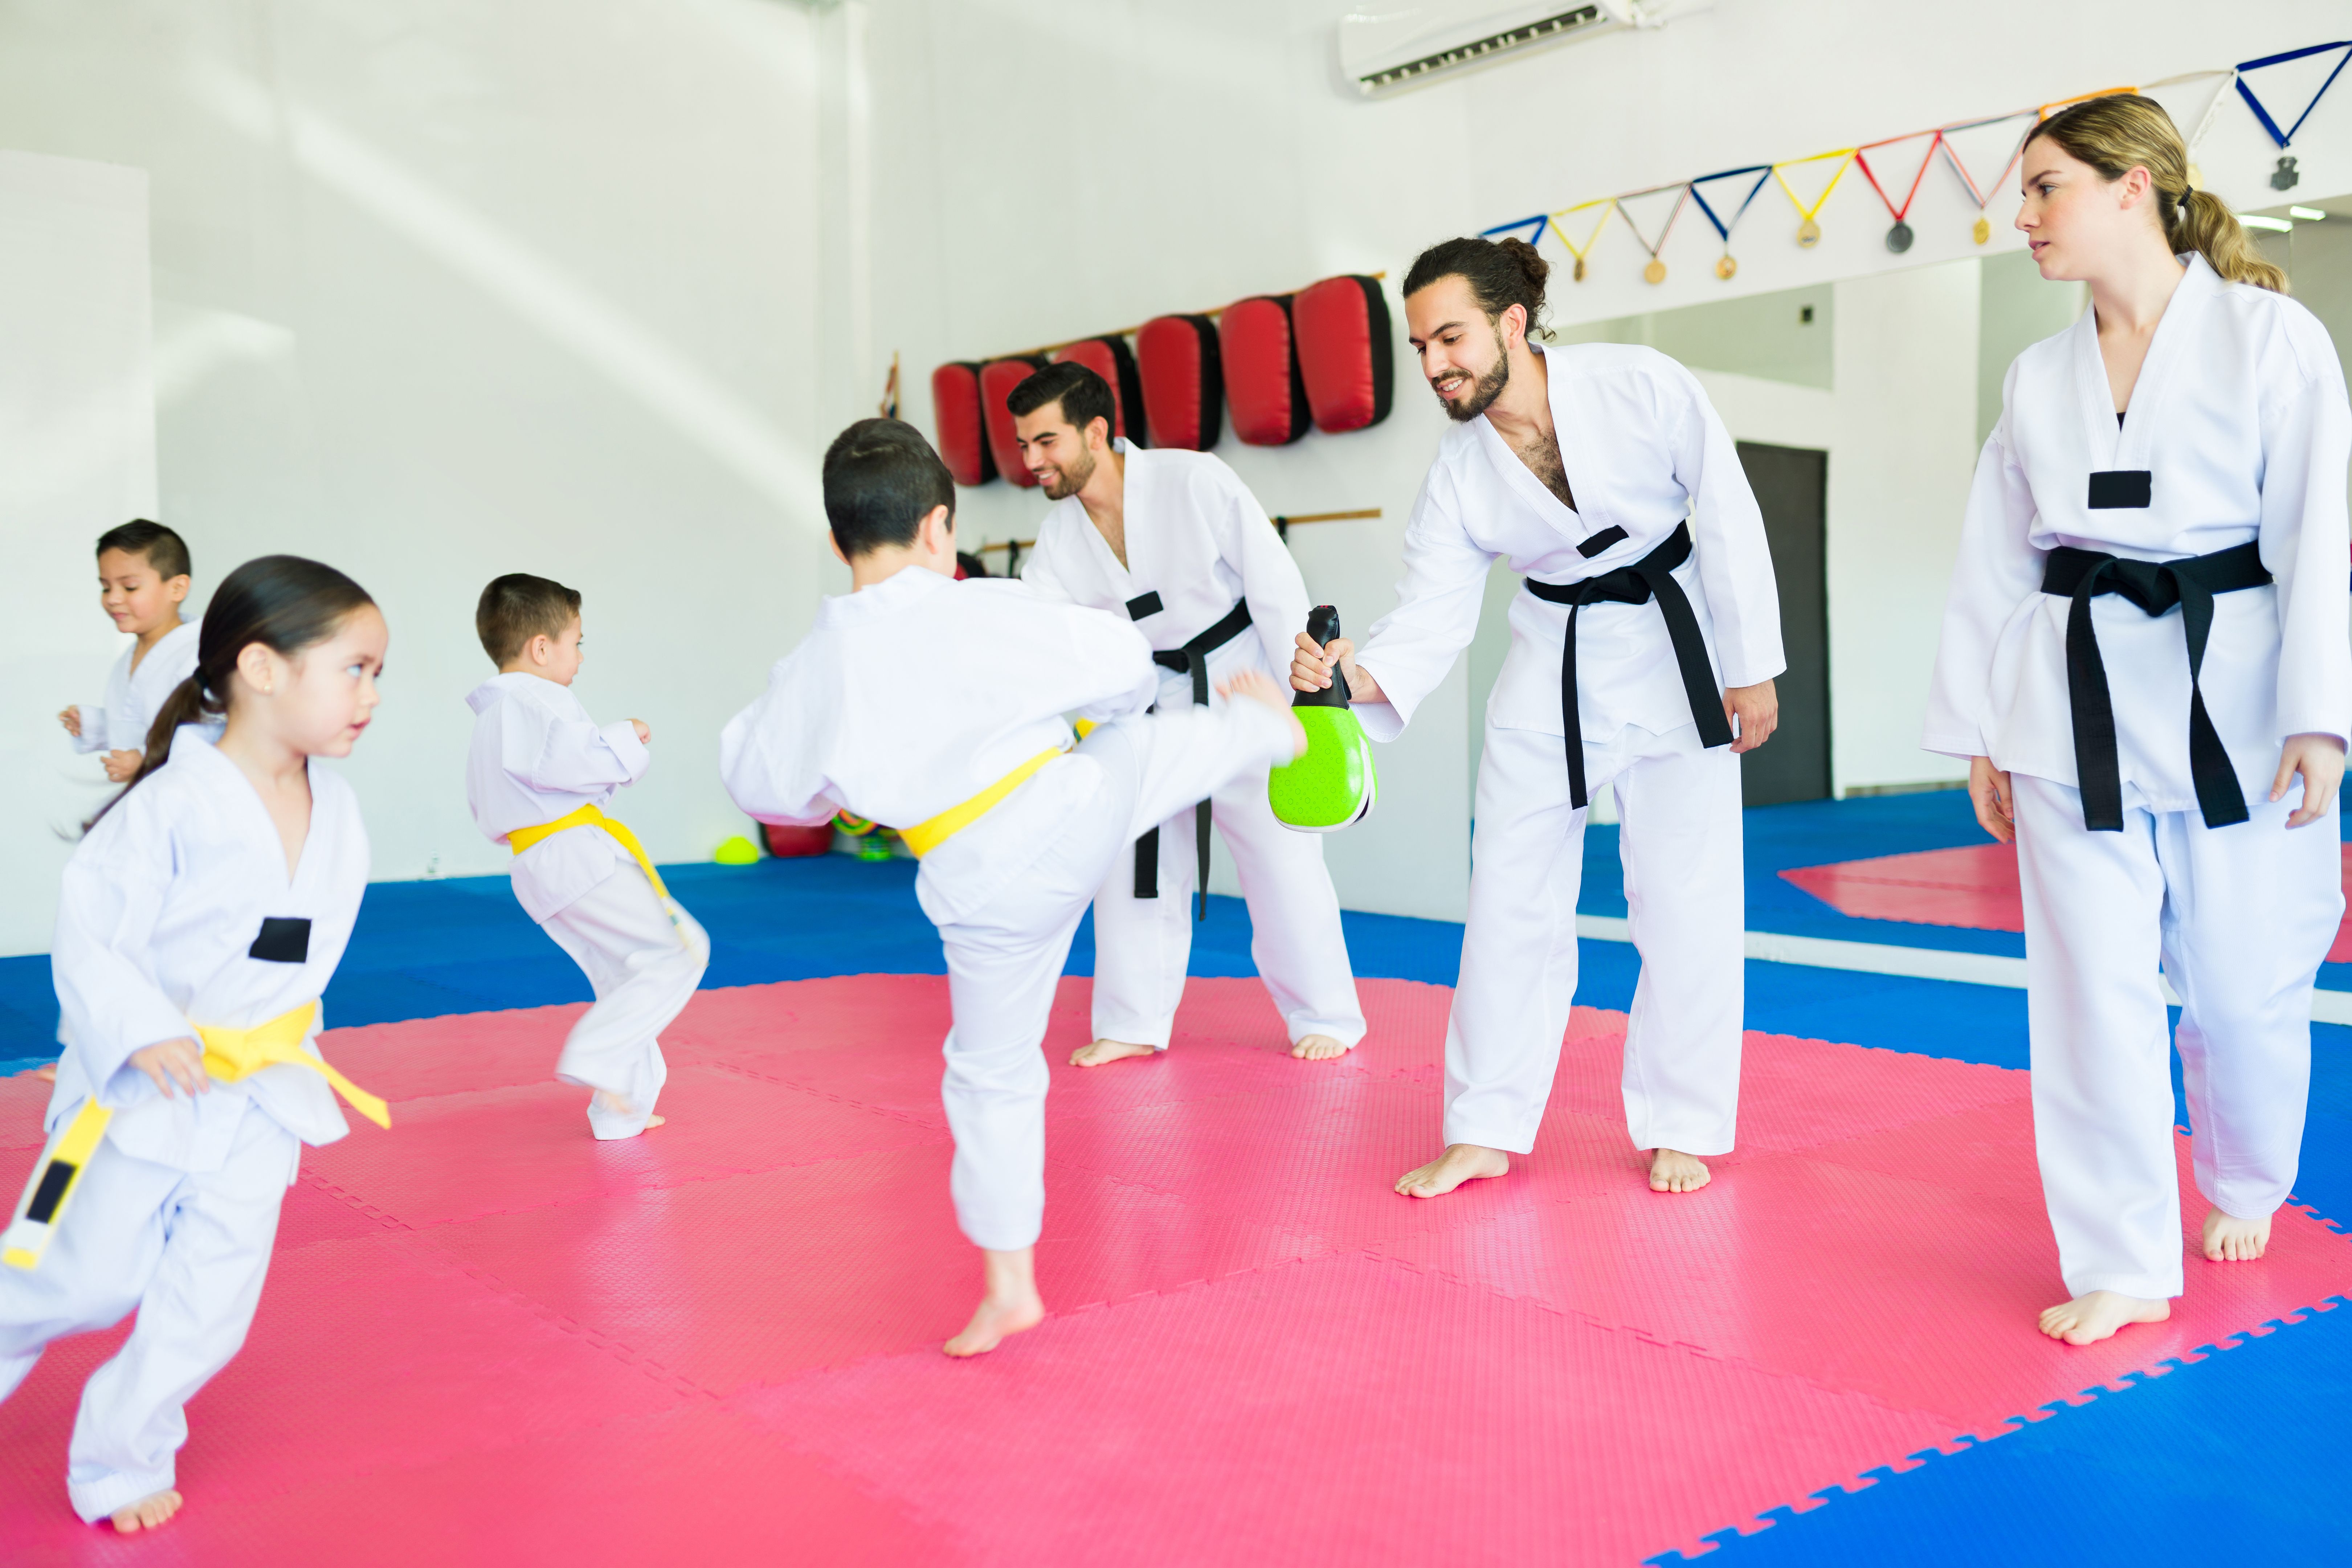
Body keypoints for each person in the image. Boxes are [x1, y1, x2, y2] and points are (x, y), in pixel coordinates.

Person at [722, 418, 1304, 1357]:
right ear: (939, 528)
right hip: (1066, 810)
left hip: (973, 882)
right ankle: (1264, 733)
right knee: (1148, 747)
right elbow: (1122, 667)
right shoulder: (985, 606)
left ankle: (1009, 1287)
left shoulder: (817, 665)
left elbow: (760, 782)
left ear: (837, 542)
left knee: (990, 1074)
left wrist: (843, 783)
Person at [1923, 94, 2350, 1347]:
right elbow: (1995, 562)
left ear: (2133, 189)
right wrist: (1983, 729)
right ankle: (2120, 1255)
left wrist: (2320, 716)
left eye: (2048, 186)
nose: (2027, 213)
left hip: (2237, 692)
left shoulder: (2273, 339)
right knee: (2089, 989)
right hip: (2072, 699)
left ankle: (2244, 1174)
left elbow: (2316, 539)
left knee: (2239, 977)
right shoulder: (2036, 373)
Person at [1293, 236, 1784, 1200]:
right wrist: (1352, 680)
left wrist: (1752, 663)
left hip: (1674, 646)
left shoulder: (1640, 384)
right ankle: (1483, 1126)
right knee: (1511, 898)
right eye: (1421, 346)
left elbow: (1727, 508)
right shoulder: (1459, 470)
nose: (1435, 365)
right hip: (1553, 658)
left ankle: (1681, 1120)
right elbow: (1432, 607)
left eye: (1451, 338)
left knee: (1685, 898)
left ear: (1513, 322)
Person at [1, 555, 390, 1534]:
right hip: (130, 1099)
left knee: (210, 1304)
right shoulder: (174, 801)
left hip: (261, 1096)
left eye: (378, 673)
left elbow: (295, 964)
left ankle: (121, 1458)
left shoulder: (336, 809)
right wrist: (141, 1031)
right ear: (262, 669)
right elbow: (92, 933)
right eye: (354, 668)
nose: (371, 695)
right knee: (70, 1276)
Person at [1009, 361, 1365, 1067]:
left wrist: (1305, 693)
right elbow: (1050, 643)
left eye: (1045, 442)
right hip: (1142, 703)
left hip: (1241, 683)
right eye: (1024, 446)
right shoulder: (1057, 541)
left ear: (1098, 432)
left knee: (1282, 860)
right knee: (1131, 859)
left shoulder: (1192, 481)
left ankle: (1325, 1013)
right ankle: (1133, 1018)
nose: (1032, 462)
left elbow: (1274, 583)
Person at [464, 575, 706, 1141]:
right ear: (541, 648)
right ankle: (599, 1054)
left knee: (625, 975)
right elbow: (570, 759)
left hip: (541, 863)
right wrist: (626, 737)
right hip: (573, 858)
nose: (580, 657)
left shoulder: (497, 714)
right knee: (681, 950)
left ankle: (621, 1110)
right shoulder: (532, 698)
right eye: (577, 643)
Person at [58, 520, 204, 784]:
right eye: (106, 586)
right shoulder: (129, 658)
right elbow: (139, 723)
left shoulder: (199, 655)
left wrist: (148, 760)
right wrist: (95, 725)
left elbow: (212, 735)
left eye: (130, 587)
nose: (112, 598)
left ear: (177, 588)